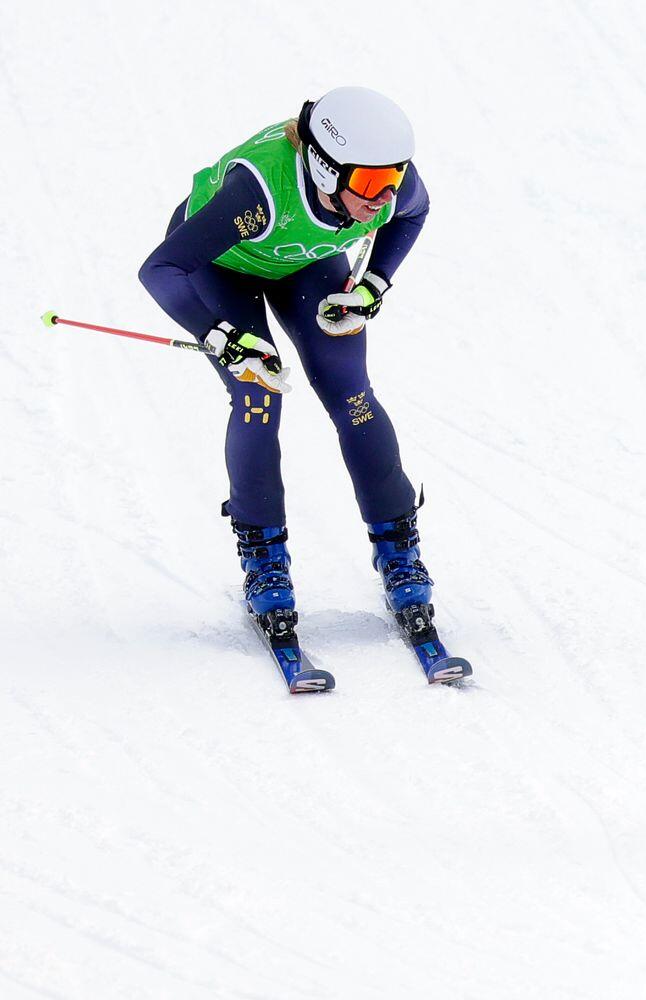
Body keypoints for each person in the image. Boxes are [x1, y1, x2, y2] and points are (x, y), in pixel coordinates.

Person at [137, 86, 442, 641]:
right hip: (220, 266)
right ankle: (263, 558)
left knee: (353, 397)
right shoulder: (255, 196)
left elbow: (415, 211)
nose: (383, 197)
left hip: (302, 261)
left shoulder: (385, 182)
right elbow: (160, 269)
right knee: (259, 395)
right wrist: (220, 335)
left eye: (393, 178)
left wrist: (374, 283)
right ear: (325, 168)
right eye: (369, 184)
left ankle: (399, 549)